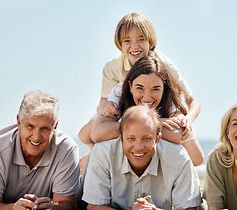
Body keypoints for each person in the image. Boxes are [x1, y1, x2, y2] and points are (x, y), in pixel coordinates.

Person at [78, 13, 200, 165]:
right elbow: (103, 102)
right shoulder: (113, 67)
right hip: (128, 104)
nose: (135, 46)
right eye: (127, 41)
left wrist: (189, 119)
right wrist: (104, 107)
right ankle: (93, 155)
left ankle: (93, 158)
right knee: (84, 135)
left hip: (152, 107)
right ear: (120, 44)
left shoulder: (162, 65)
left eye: (141, 39)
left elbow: (193, 101)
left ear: (150, 42)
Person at [82, 106, 202, 210]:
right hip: (81, 186)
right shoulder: (103, 152)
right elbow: (94, 208)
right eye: (131, 139)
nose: (139, 147)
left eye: (146, 139)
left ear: (157, 138)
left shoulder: (177, 156)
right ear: (121, 138)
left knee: (203, 205)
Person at [91, 56, 204, 167]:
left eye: (155, 89)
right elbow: (97, 133)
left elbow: (179, 136)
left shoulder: (171, 96)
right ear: (130, 86)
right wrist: (152, 123)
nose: (147, 97)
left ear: (164, 88)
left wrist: (138, 129)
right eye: (140, 88)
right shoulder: (119, 92)